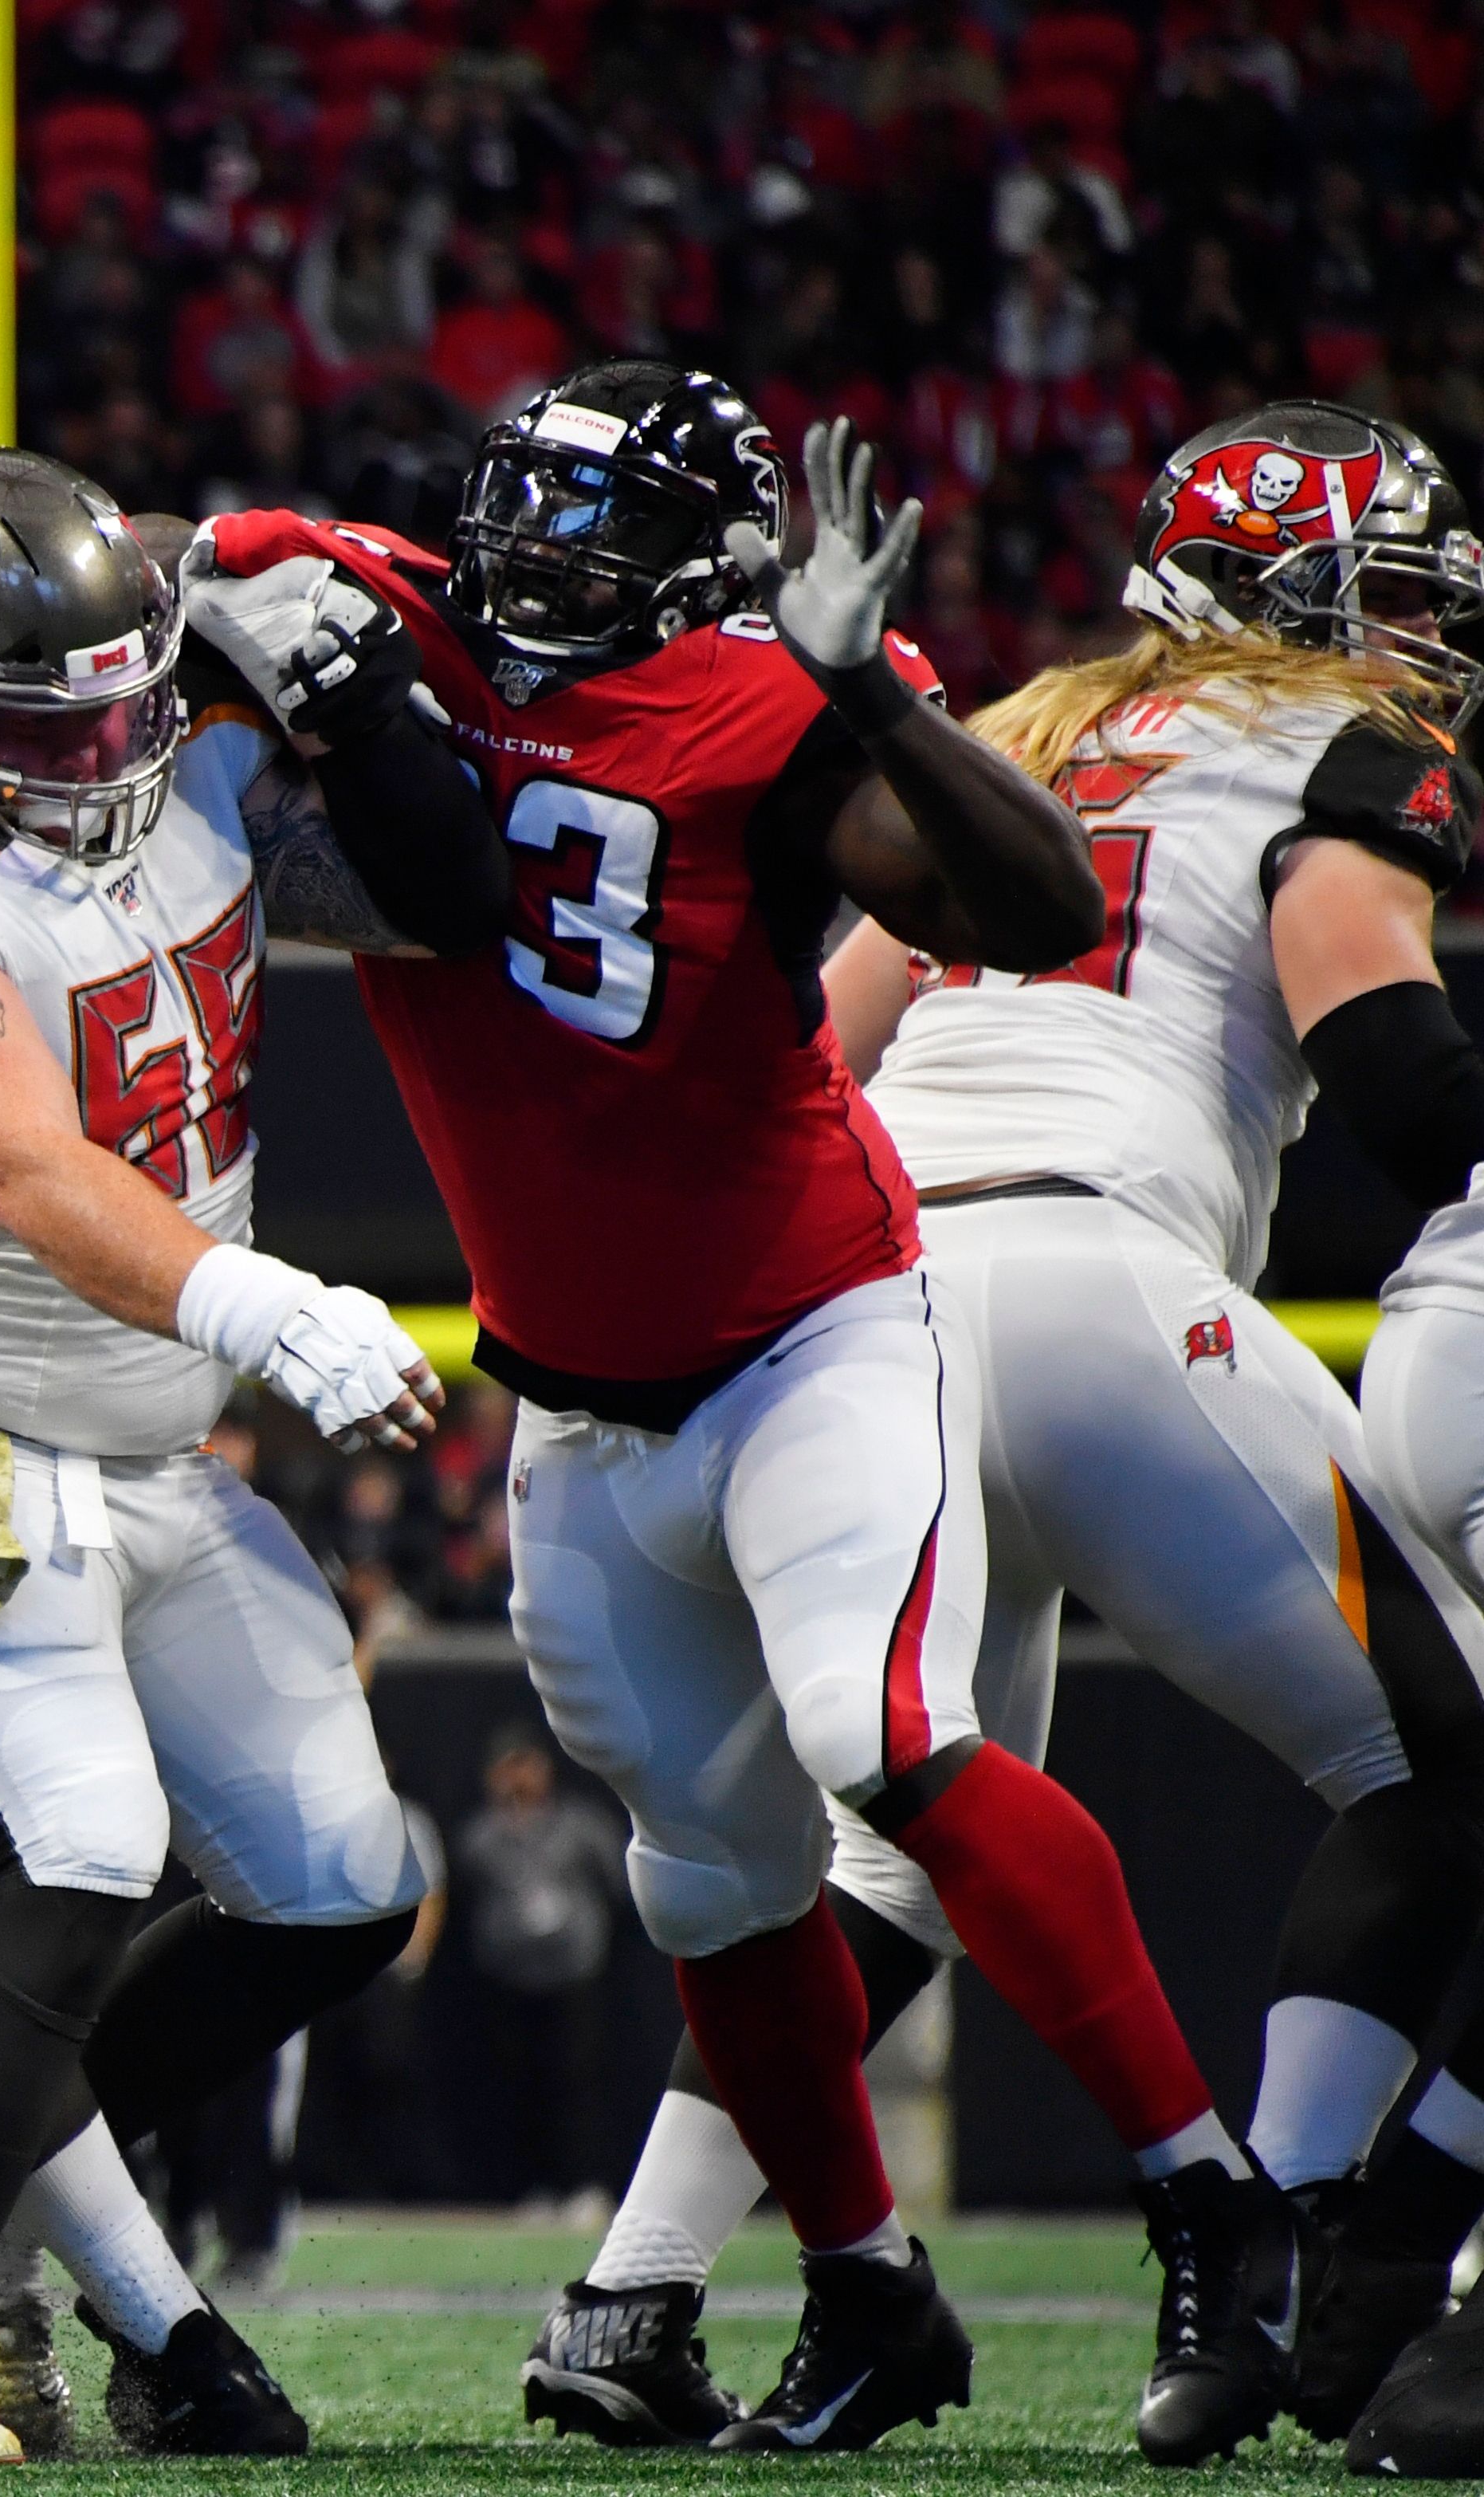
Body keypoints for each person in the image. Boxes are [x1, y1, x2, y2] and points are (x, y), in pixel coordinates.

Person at [198, 363, 1262, 2455]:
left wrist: (870, 692)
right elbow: (173, 568)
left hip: (811, 1328)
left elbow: (1041, 909)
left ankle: (1218, 2205)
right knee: (710, 1878)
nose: (534, 565)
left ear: (697, 564)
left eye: (590, 535)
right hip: (577, 1402)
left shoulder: (766, 701)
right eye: (519, 514)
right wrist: (213, 600)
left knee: (893, 1741)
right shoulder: (383, 607)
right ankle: (868, 2294)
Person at [499, 396, 1484, 2468]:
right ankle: (1287, 2244)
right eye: (1386, 593)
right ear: (1275, 591)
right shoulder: (1329, 756)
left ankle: (636, 2284)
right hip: (1111, 1292)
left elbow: (817, 1045)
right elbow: (1387, 1060)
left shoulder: (1019, 727)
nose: (1416, 639)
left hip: (878, 1306)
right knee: (1436, 1760)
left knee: (897, 1855)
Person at [0, 446, 492, 2460]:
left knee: (341, 1891)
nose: (95, 742)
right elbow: (21, 1160)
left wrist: (314, 630)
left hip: (155, 1444)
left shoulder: (199, 752)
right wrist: (270, 1308)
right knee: (82, 1849)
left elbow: (450, 868)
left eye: (120, 693)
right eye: (34, 711)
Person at [457, 1728, 630, 2214]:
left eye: (527, 1765)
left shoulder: (581, 1824)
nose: (520, 1778)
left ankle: (583, 2184)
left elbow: (617, 1884)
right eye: (509, 1767)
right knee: (519, 2085)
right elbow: (470, 1877)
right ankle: (533, 2186)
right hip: (510, 1979)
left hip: (573, 1974)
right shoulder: (483, 1832)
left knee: (576, 2082)